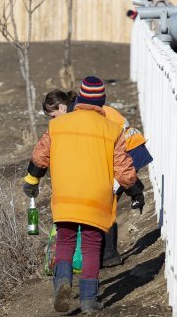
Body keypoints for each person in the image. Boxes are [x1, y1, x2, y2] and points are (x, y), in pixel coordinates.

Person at [23, 76, 137, 313]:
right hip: (96, 198)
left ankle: (62, 281)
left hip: (65, 195)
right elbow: (124, 171)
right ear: (102, 101)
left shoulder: (58, 125)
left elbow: (40, 156)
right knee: (91, 246)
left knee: (64, 240)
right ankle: (88, 299)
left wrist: (31, 180)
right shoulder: (112, 129)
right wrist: (135, 190)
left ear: (81, 99)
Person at [42, 88, 153, 268]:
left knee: (106, 199)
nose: (53, 121)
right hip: (129, 150)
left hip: (129, 151)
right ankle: (105, 254)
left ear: (62, 108)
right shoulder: (82, 111)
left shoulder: (81, 114)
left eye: (53, 116)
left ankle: (109, 255)